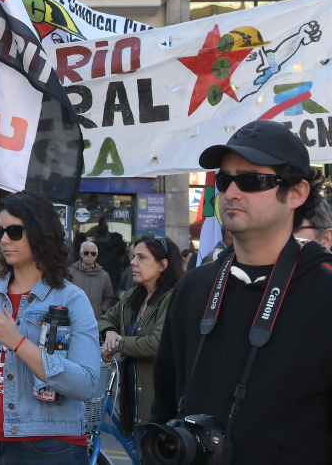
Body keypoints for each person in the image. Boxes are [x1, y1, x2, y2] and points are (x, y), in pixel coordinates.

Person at [151, 120, 332, 464]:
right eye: (224, 180)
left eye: (250, 180)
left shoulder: (324, 290)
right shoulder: (193, 288)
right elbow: (164, 406)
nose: (231, 193)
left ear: (296, 193)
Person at [0, 191, 101, 464]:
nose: (3, 240)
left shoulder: (72, 299)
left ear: (41, 232)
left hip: (48, 445)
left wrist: (18, 343)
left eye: (14, 231)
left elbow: (87, 384)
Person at [98, 235, 183, 452]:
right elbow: (104, 319)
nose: (133, 262)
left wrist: (118, 344)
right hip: (133, 403)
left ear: (162, 265)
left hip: (160, 407)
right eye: (133, 256)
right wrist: (109, 333)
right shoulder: (133, 296)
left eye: (142, 257)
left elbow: (156, 344)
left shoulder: (174, 298)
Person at [69, 241, 115, 318]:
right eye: (86, 253)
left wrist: (101, 311)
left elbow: (109, 297)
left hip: (95, 319)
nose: (89, 255)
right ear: (81, 254)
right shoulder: (70, 272)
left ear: (96, 256)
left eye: (93, 253)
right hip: (73, 318)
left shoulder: (104, 276)